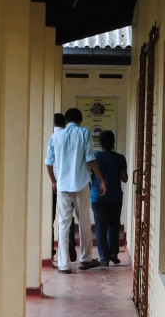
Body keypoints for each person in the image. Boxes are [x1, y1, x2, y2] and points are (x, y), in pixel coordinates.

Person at [45, 107, 106, 274]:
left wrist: (53, 181)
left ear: (66, 121)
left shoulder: (56, 136)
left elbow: (48, 162)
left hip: (62, 186)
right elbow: (90, 159)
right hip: (80, 184)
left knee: (64, 224)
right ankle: (85, 259)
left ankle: (64, 265)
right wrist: (101, 179)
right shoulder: (83, 132)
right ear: (79, 121)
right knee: (84, 222)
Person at [90, 130, 127, 266]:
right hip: (115, 197)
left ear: (100, 143)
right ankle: (113, 253)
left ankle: (104, 258)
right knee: (114, 225)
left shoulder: (94, 157)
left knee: (100, 227)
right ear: (113, 142)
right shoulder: (119, 158)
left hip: (97, 197)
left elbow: (89, 176)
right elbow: (124, 178)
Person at [51, 113, 77, 263]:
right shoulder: (68, 137)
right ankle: (69, 248)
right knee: (67, 217)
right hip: (66, 182)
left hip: (52, 183)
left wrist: (52, 181)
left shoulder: (51, 137)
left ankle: (51, 250)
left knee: (52, 219)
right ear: (65, 123)